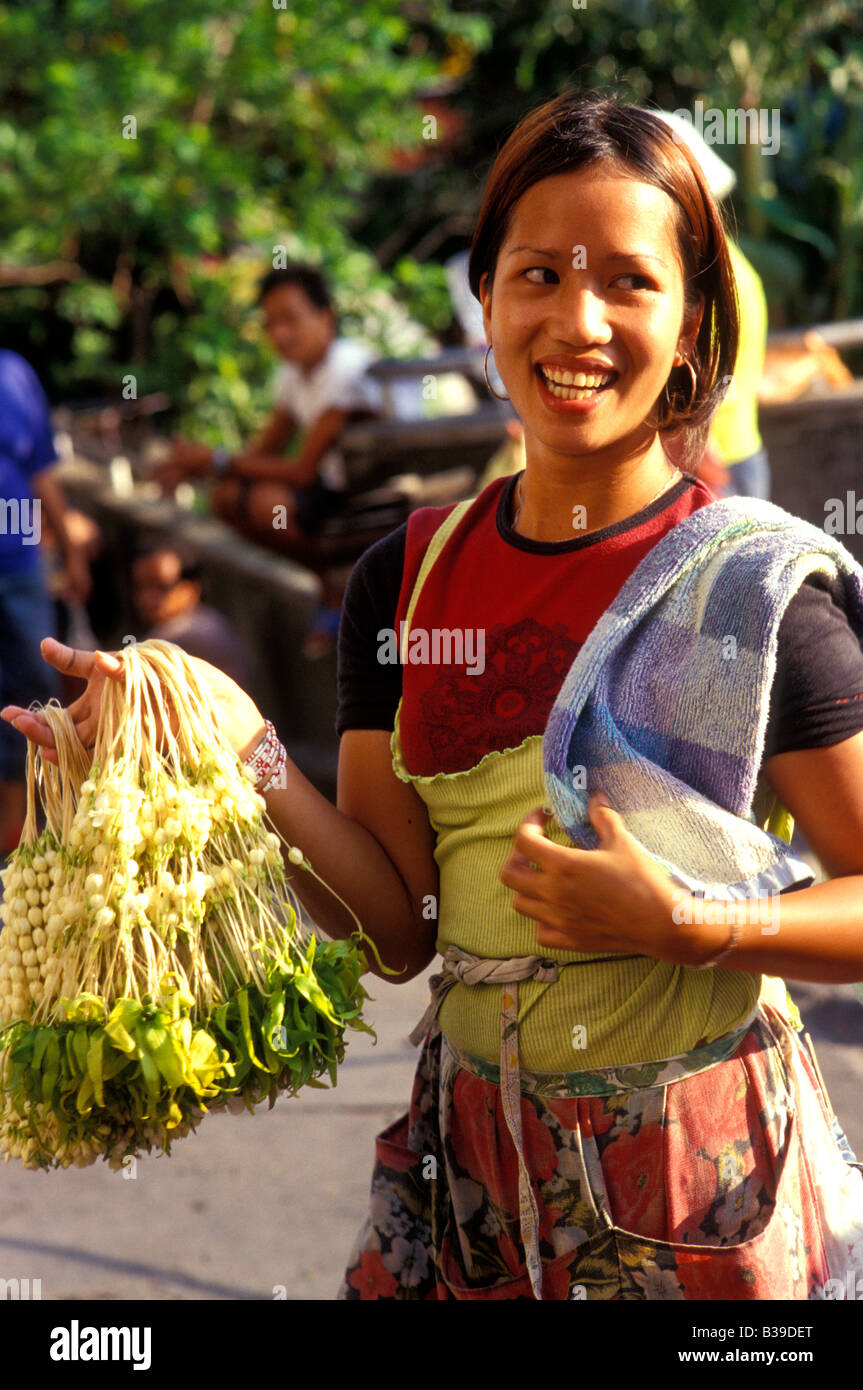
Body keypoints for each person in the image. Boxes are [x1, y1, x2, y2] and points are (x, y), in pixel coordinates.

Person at [5, 91, 863, 1302]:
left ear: (689, 325)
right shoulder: (405, 579)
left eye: (628, 280)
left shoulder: (755, 588)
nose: (578, 320)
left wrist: (692, 926)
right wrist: (222, 745)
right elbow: (399, 928)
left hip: (696, 1191)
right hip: (471, 1183)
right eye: (537, 274)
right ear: (486, 297)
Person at [155, 263, 384, 655]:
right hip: (329, 491)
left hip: (373, 495)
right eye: (271, 323)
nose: (280, 334)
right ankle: (330, 582)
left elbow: (299, 470)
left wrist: (214, 460)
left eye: (291, 319)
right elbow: (265, 450)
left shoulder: (347, 369)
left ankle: (337, 585)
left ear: (325, 317)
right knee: (227, 497)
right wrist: (199, 466)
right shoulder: (295, 374)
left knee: (265, 503)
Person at [651, 109, 771, 500]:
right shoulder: (728, 266)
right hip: (728, 458)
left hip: (715, 464)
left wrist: (705, 476)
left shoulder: (710, 277)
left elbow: (704, 388)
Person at [0, 349, 91, 855]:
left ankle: (35, 836)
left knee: (35, 705)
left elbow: (43, 475)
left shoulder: (13, 374)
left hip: (20, 567)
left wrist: (71, 553)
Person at [129, 540, 254, 689]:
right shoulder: (206, 621)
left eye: (163, 587)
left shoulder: (192, 632)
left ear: (192, 588)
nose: (147, 597)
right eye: (140, 586)